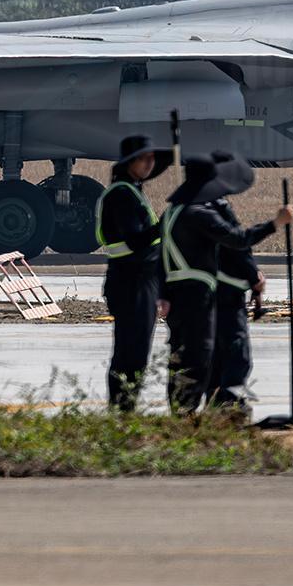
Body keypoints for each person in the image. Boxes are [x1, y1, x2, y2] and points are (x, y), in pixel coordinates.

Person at [159, 151, 292, 413]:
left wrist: (161, 292)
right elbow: (238, 240)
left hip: (178, 295)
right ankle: (216, 409)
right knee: (209, 356)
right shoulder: (201, 214)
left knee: (185, 355)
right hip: (199, 297)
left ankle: (182, 411)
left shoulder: (171, 213)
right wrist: (275, 224)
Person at [95, 135, 170, 413]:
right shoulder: (121, 194)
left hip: (142, 280)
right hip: (130, 281)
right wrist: (164, 224)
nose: (151, 164)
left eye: (152, 159)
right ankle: (121, 409)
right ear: (130, 162)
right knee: (130, 352)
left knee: (138, 352)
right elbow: (137, 240)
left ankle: (127, 407)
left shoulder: (133, 190)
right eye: (145, 158)